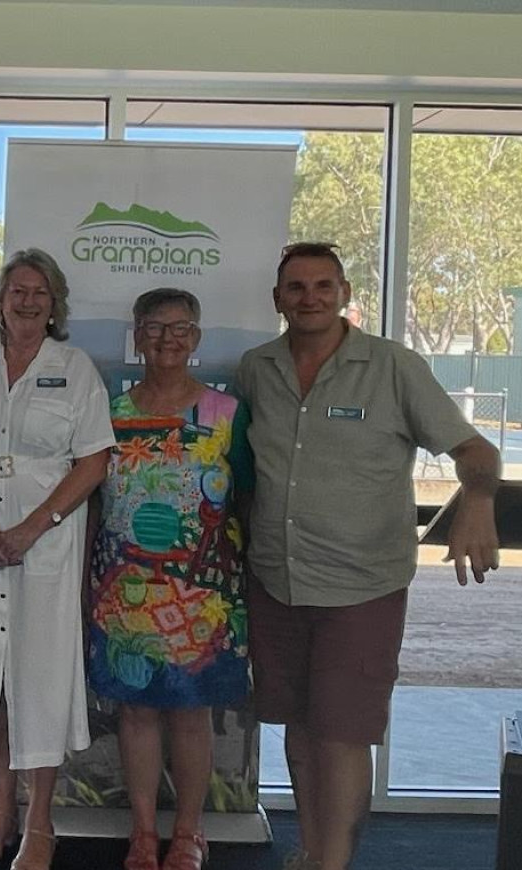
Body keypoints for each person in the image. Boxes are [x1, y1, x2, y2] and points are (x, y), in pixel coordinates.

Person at [237, 242, 500, 870]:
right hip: (275, 579)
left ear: (345, 294)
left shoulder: (393, 366)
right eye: (296, 287)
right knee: (298, 729)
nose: (310, 298)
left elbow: (476, 452)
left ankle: (332, 863)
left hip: (362, 586)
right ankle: (311, 850)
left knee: (343, 734)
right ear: (277, 299)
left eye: (323, 286)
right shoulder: (255, 368)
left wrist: (477, 504)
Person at [0, 248, 115, 870]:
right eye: (17, 290)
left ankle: (41, 824)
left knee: (40, 684)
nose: (28, 300)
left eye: (39, 291)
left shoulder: (75, 369)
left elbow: (93, 461)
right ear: (0, 299)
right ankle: (0, 812)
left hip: (47, 550)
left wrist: (35, 526)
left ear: (54, 303)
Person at [86, 288, 252, 870]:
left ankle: (188, 832)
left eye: (180, 328)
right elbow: (90, 500)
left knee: (191, 712)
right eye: (155, 328)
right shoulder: (110, 411)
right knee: (135, 710)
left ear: (197, 338)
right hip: (123, 586)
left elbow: (248, 499)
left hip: (204, 592)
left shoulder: (226, 413)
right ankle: (140, 832)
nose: (167, 339)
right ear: (137, 336)